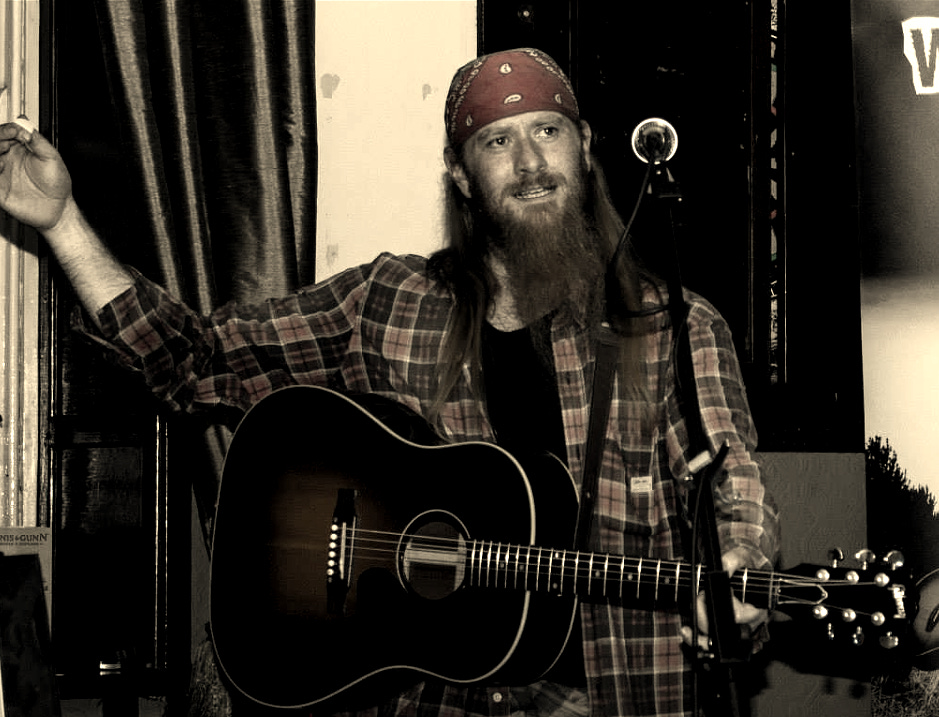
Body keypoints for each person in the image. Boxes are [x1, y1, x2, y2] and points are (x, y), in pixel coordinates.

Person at [0, 48, 778, 717]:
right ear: (461, 175)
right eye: (497, 140)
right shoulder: (388, 300)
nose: (529, 162)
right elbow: (196, 359)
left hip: (618, 693)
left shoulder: (672, 327)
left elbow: (730, 478)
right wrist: (62, 224)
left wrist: (739, 571)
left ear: (584, 147)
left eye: (547, 131)